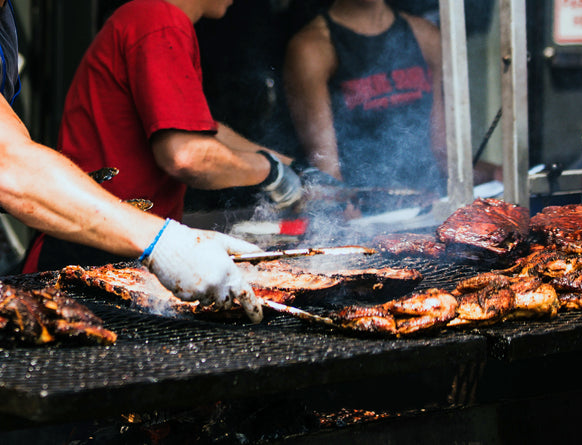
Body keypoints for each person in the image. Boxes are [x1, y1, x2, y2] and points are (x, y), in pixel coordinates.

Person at [0, 0, 263, 323]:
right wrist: (163, 240)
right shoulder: (157, 19)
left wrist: (278, 163)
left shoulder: (5, 23)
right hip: (89, 253)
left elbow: (199, 125)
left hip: (105, 241)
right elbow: (8, 163)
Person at [22, 0, 303, 273]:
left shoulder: (150, 17)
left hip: (111, 241)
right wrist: (272, 173)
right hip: (96, 249)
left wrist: (297, 169)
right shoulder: (159, 21)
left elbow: (206, 129)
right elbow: (187, 156)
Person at [283, 0, 447, 195]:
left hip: (430, 203)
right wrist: (351, 214)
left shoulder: (426, 36)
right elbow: (327, 174)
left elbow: (442, 150)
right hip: (362, 210)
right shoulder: (312, 48)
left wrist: (491, 173)